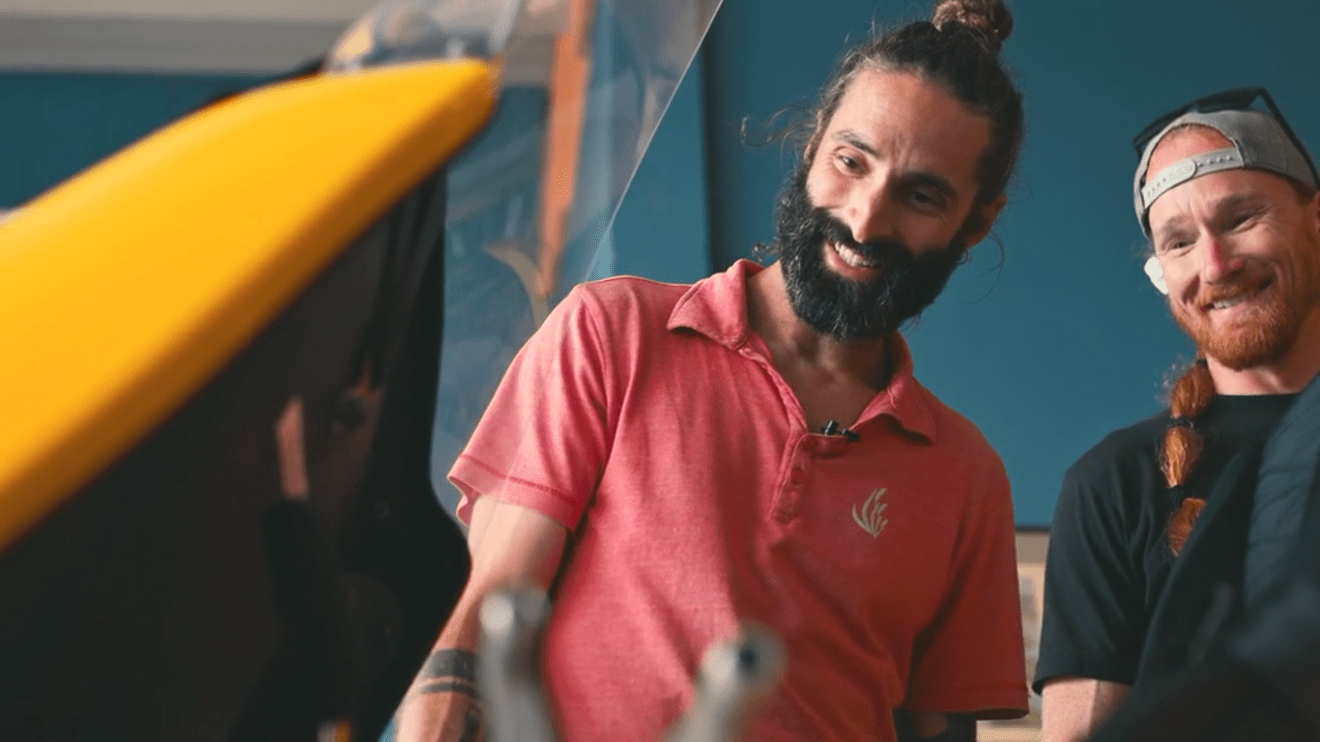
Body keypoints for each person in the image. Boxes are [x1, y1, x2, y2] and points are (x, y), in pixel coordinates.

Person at [397, 1, 1031, 739]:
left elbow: (937, 733)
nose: (864, 219)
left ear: (977, 222)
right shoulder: (612, 334)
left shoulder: (966, 477)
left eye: (921, 195)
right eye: (851, 162)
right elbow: (480, 615)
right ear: (811, 141)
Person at [1035, 87, 1320, 741]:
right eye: (1180, 242)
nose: (1214, 265)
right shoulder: (1112, 484)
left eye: (1241, 218)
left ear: (1316, 218)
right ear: (1161, 271)